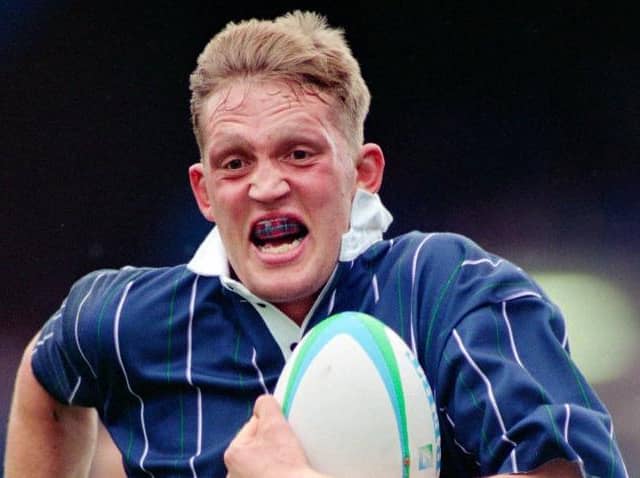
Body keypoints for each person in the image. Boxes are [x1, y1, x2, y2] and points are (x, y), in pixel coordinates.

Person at [4, 11, 627, 478]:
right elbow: (47, 374)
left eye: (298, 154)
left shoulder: (450, 292)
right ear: (203, 191)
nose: (267, 185)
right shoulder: (129, 319)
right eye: (235, 162)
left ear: (364, 172)